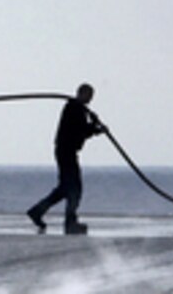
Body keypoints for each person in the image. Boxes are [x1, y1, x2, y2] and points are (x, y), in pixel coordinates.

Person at [27, 83, 104, 235]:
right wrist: (96, 128)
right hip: (66, 151)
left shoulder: (77, 109)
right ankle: (69, 223)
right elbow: (81, 131)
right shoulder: (74, 108)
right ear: (81, 94)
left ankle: (38, 212)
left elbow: (82, 130)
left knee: (66, 189)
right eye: (88, 96)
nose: (90, 100)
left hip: (66, 151)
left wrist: (94, 124)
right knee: (74, 189)